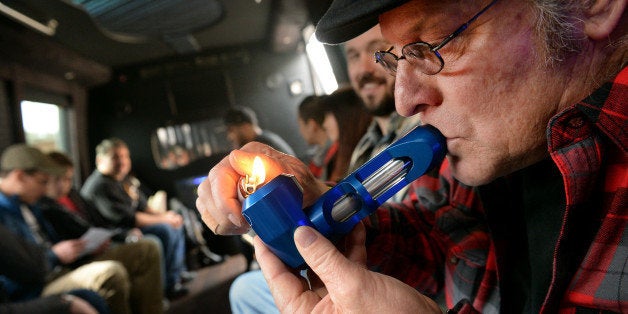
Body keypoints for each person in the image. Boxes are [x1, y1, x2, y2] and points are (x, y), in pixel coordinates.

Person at [196, 0, 627, 313]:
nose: (404, 101)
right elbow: (438, 238)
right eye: (394, 57)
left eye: (434, 43)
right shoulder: (480, 147)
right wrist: (326, 208)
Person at [0, 144, 126, 313]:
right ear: (20, 176)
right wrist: (54, 256)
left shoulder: (30, 206)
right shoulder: (5, 214)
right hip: (32, 289)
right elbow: (22, 272)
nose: (45, 189)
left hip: (54, 271)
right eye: (42, 182)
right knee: (106, 278)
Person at [41, 151, 165, 314]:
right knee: (145, 248)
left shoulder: (73, 195)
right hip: (80, 259)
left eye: (69, 178)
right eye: (61, 179)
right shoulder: (45, 207)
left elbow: (99, 221)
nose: (66, 184)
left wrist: (122, 235)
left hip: (100, 244)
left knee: (150, 243)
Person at [80, 138, 190, 299]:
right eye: (116, 157)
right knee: (164, 230)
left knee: (174, 222)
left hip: (131, 226)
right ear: (100, 160)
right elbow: (129, 219)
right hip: (117, 233)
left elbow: (143, 207)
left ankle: (175, 275)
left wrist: (166, 216)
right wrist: (164, 220)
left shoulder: (123, 180)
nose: (122, 162)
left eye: (125, 156)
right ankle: (166, 287)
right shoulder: (99, 186)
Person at [0, 223, 108, 314]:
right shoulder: (6, 209)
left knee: (86, 296)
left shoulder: (36, 207)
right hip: (29, 290)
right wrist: (63, 304)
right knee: (106, 275)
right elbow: (33, 268)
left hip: (54, 271)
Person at [319, 86, 372, 182]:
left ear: (345, 116)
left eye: (328, 115)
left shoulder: (368, 155)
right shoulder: (337, 156)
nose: (324, 124)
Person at [223, 105, 296, 155]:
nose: (229, 136)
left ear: (246, 126)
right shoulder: (265, 138)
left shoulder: (261, 144)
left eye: (231, 130)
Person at [296, 95, 335, 180]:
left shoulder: (333, 156)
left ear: (311, 125)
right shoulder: (319, 157)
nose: (300, 130)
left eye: (300, 125)